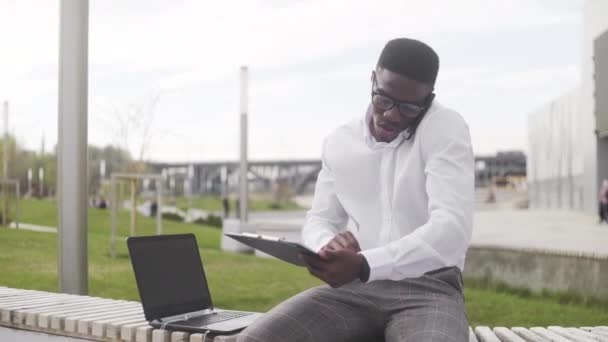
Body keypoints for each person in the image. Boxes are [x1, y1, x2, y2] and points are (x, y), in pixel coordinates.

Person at [238, 38, 474, 342]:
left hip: (430, 289)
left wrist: (365, 264)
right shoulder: (340, 141)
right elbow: (319, 219)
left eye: (409, 107)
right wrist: (328, 248)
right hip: (355, 292)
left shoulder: (445, 127)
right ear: (373, 79)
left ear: (428, 99)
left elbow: (452, 229)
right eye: (384, 99)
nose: (392, 115)